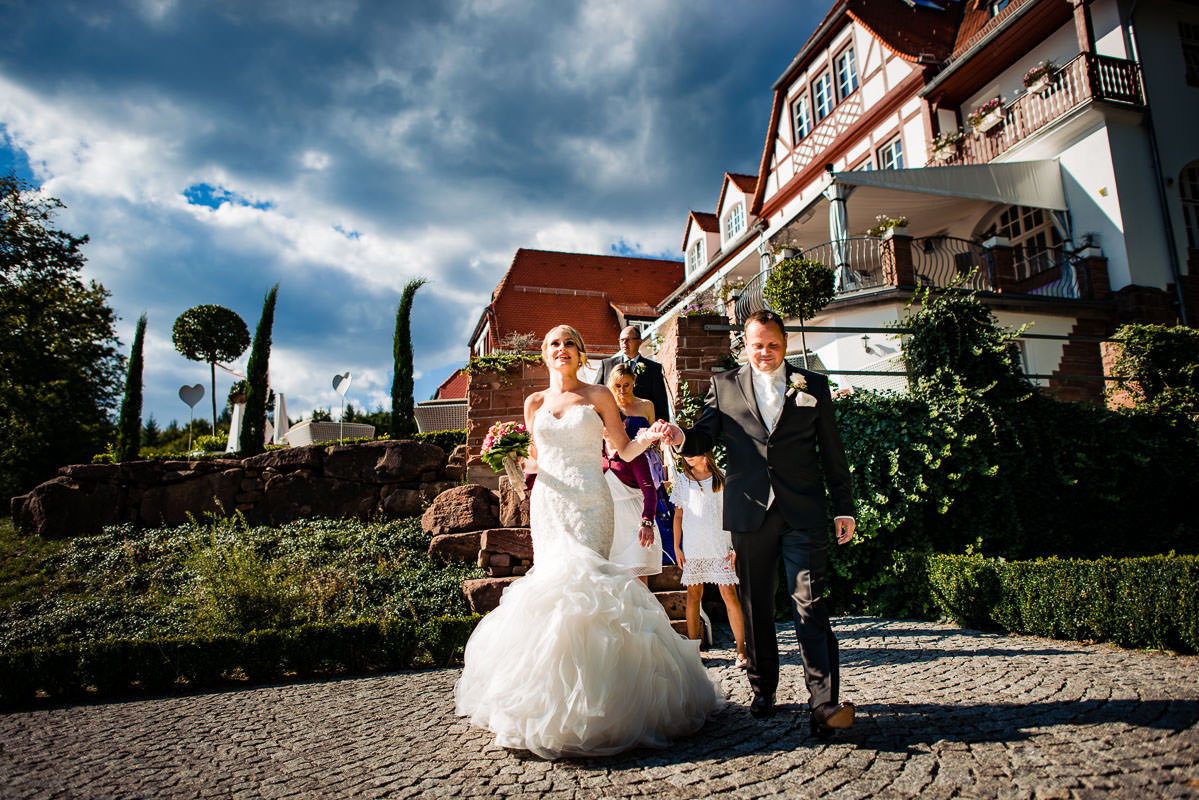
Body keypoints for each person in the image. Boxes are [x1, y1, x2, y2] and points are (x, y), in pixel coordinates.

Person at [455, 324, 720, 759]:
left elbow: (622, 449)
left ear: (581, 355)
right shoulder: (534, 402)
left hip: (591, 503)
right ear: (545, 353)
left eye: (569, 344)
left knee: (589, 588)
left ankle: (604, 703)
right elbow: (536, 461)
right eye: (554, 343)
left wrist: (649, 438)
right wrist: (509, 456)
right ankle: (550, 700)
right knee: (552, 590)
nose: (562, 349)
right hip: (549, 505)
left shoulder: (597, 397)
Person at [652, 309, 857, 738]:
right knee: (756, 605)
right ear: (744, 346)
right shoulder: (723, 385)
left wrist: (844, 506)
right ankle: (763, 689)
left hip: (802, 511)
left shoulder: (812, 386)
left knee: (810, 601)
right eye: (756, 344)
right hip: (748, 513)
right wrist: (680, 437)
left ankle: (824, 703)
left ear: (785, 344)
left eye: (773, 344)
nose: (764, 352)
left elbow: (832, 451)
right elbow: (705, 435)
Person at [671, 451, 747, 669]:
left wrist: (735, 546)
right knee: (693, 595)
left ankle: (741, 649)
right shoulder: (683, 481)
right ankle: (694, 651)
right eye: (685, 455)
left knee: (729, 594)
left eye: (692, 453)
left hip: (720, 545)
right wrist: (677, 546)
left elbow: (734, 512)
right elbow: (678, 515)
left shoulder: (722, 477)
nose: (688, 458)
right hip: (694, 547)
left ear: (705, 453)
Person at [602, 366, 662, 582]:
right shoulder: (609, 407)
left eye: (626, 385)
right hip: (617, 472)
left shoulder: (646, 405)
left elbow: (652, 437)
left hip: (637, 463)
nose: (622, 389)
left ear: (634, 382)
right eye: (617, 385)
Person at [595, 326, 670, 423]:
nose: (624, 343)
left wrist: (662, 430)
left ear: (639, 342)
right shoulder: (606, 365)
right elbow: (596, 394)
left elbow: (661, 404)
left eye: (628, 340)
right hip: (611, 424)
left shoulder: (653, 369)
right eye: (621, 340)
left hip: (641, 427)